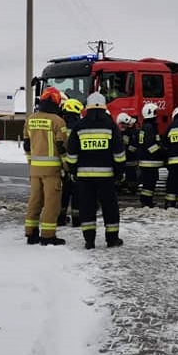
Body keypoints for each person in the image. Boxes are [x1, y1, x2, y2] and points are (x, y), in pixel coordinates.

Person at [65, 92, 126, 249]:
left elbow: (71, 154)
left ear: (88, 107)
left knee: (87, 208)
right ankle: (112, 240)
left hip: (85, 178)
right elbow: (119, 153)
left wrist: (73, 171)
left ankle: (89, 241)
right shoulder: (111, 125)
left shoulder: (79, 126)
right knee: (110, 208)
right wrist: (119, 172)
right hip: (107, 177)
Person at [23, 87, 69, 245]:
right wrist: (67, 166)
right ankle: (48, 236)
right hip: (52, 171)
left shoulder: (30, 119)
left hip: (35, 169)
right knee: (51, 203)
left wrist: (31, 163)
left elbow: (27, 145)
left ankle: (31, 233)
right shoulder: (58, 121)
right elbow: (62, 146)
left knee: (34, 201)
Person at [58, 98, 84, 227]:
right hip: (76, 165)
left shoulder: (60, 124)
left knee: (63, 194)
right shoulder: (79, 126)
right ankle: (77, 220)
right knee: (77, 194)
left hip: (61, 165)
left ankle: (60, 218)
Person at [136, 103, 165, 207]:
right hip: (150, 161)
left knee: (149, 183)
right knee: (149, 183)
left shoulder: (147, 126)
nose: (157, 115)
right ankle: (146, 202)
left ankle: (146, 200)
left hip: (148, 161)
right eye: (155, 112)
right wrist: (162, 152)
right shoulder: (149, 127)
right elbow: (150, 146)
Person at [116, 112, 140, 195]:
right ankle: (123, 186)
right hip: (126, 159)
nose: (130, 125)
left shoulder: (128, 133)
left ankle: (127, 186)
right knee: (125, 175)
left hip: (129, 159)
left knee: (130, 175)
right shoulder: (122, 134)